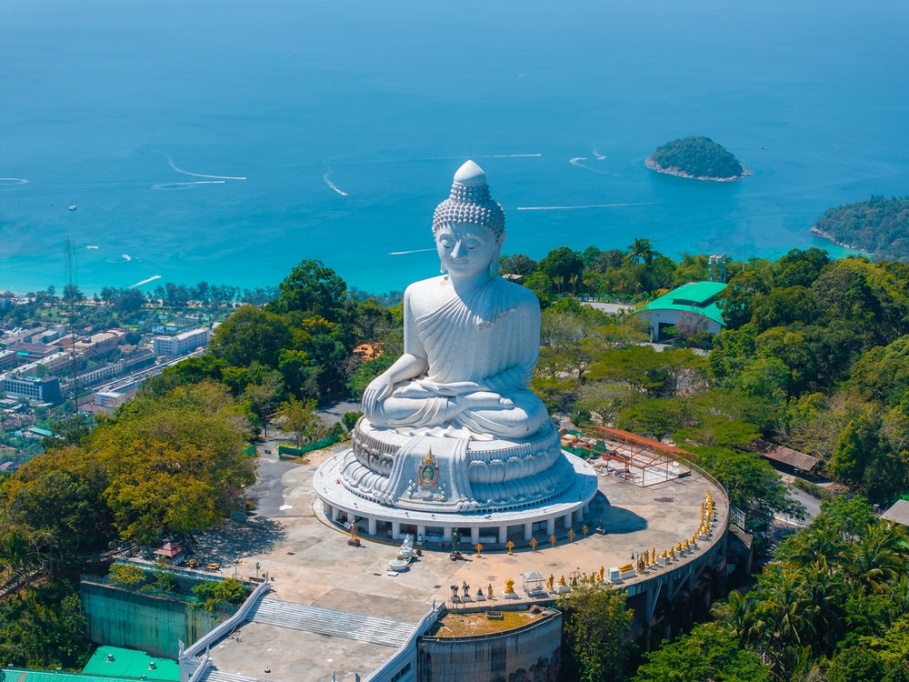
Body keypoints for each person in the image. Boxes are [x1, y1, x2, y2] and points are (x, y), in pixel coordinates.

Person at [362, 160, 549, 440]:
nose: (458, 253)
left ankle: (456, 407)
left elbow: (522, 371)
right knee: (377, 408)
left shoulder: (520, 301)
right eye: (447, 243)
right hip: (438, 393)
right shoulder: (417, 292)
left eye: (472, 244)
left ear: (498, 244)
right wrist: (387, 377)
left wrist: (472, 392)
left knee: (524, 419)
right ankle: (456, 408)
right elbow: (416, 357)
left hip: (489, 398)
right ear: (435, 238)